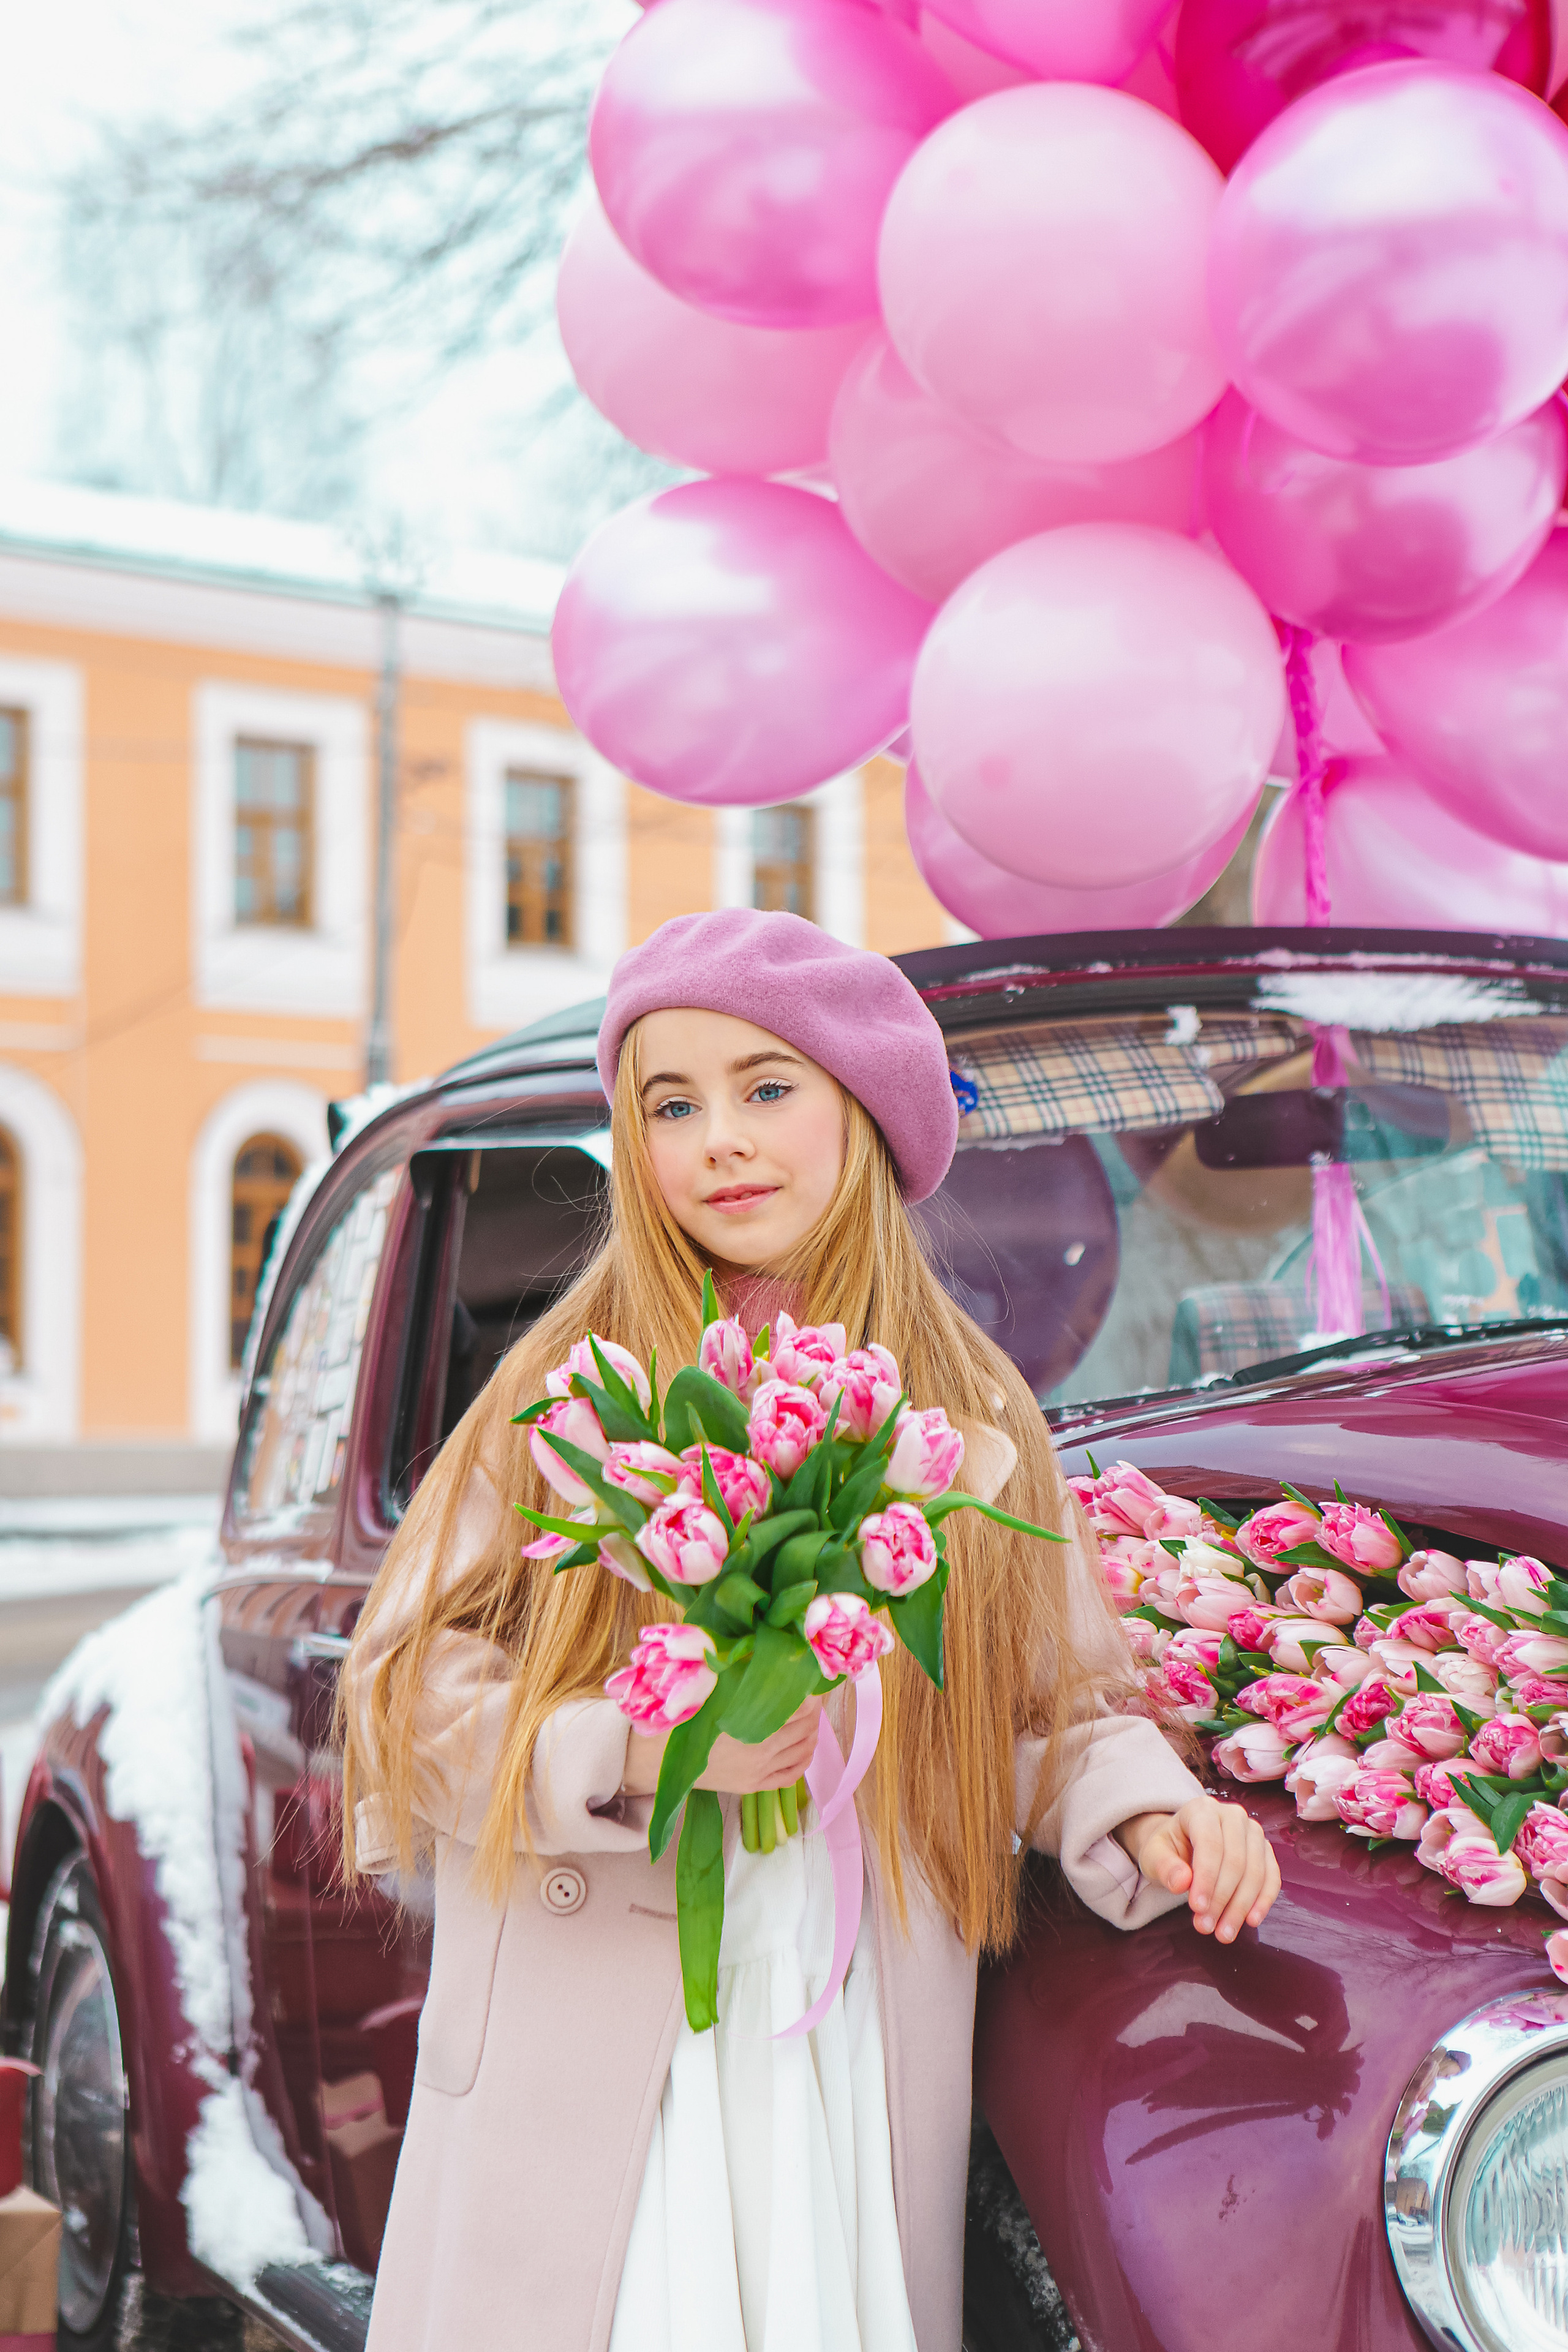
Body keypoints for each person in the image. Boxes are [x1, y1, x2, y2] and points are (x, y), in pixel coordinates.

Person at [342, 908, 1280, 2352]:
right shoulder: (568, 1386)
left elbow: (1043, 1704)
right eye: (672, 1103)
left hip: (841, 2018)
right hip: (599, 2033)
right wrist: (632, 1748)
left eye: (766, 1088)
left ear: (867, 1116)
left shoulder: (967, 1417)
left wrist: (1146, 1811)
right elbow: (405, 1690)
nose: (719, 1139)